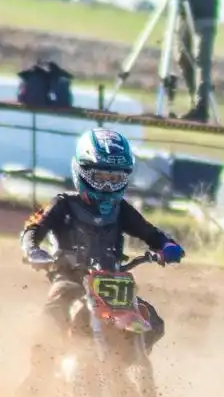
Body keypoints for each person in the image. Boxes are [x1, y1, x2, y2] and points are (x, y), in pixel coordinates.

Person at [20, 128, 184, 368]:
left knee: (154, 323)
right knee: (52, 316)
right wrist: (33, 251)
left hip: (110, 284)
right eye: (101, 178)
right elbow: (33, 229)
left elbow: (150, 232)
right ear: (82, 172)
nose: (108, 187)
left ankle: (120, 365)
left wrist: (167, 246)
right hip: (70, 279)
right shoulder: (63, 204)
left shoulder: (122, 210)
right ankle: (38, 378)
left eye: (115, 179)